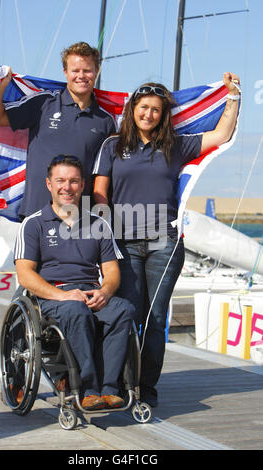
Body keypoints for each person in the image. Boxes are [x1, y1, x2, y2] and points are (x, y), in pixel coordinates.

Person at [93, 72, 241, 407]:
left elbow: (222, 133)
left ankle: (146, 387)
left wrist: (233, 96)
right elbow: (99, 193)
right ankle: (118, 383)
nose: (148, 114)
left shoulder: (176, 144)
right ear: (133, 109)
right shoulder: (112, 146)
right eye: (143, 107)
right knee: (127, 313)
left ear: (163, 114)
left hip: (164, 243)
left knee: (156, 318)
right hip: (124, 243)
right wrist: (104, 232)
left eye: (156, 109)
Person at [14, 154, 134, 410]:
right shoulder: (33, 224)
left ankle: (110, 389)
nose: (66, 187)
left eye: (73, 181)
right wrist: (63, 296)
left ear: (82, 185)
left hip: (90, 293)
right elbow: (25, 274)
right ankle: (87, 389)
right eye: (60, 181)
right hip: (52, 296)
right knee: (76, 310)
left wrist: (105, 291)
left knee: (123, 309)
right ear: (49, 184)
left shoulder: (99, 224)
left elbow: (112, 273)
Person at [0, 42, 116, 219]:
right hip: (36, 212)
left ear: (97, 71)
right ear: (65, 72)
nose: (81, 76)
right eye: (75, 70)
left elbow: (105, 172)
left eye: (87, 70)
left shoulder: (106, 121)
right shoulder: (43, 103)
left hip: (80, 217)